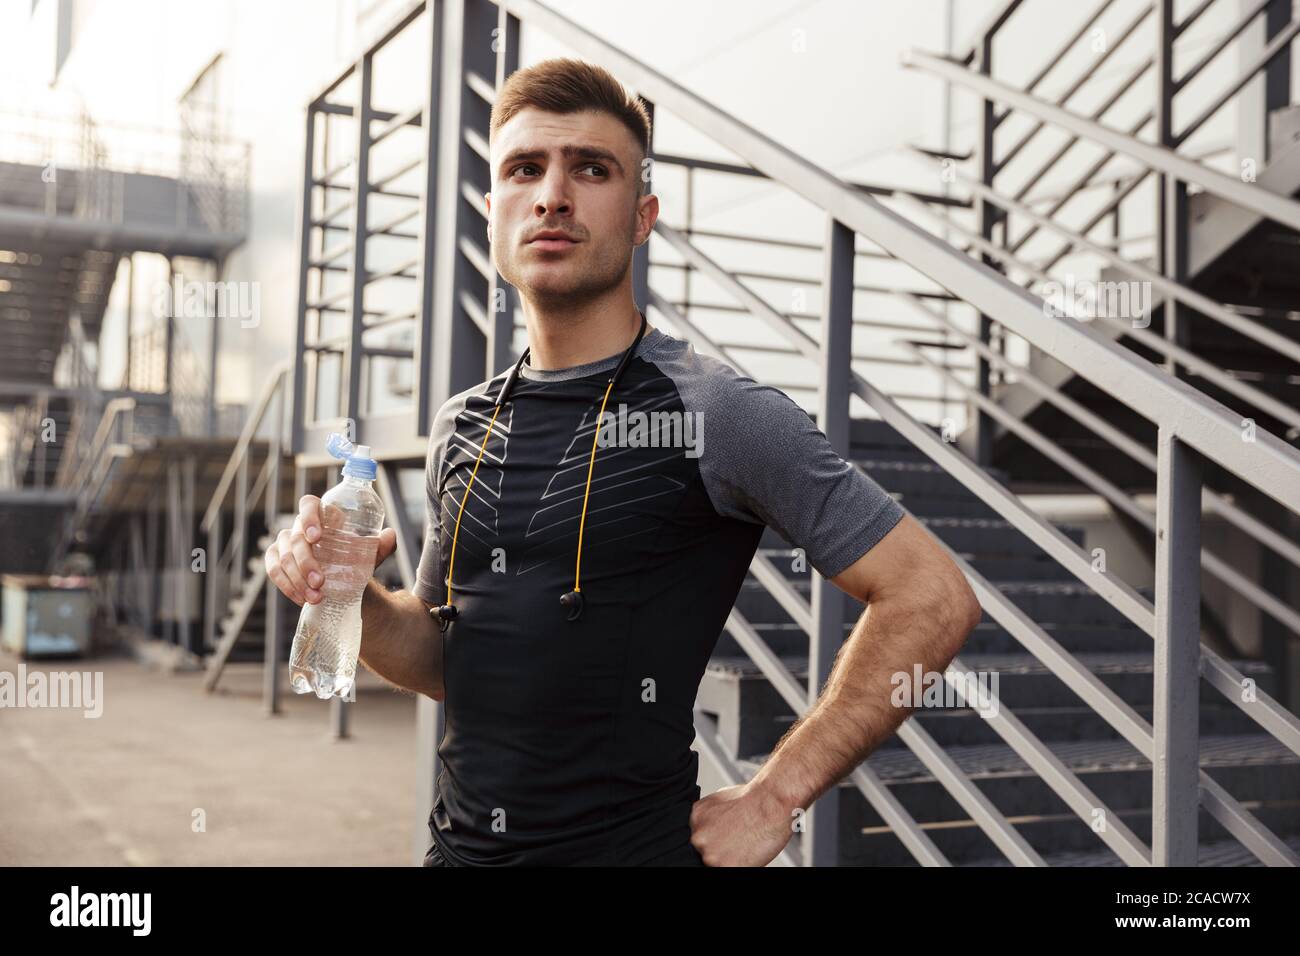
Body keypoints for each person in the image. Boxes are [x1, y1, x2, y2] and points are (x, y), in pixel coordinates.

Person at [265, 57, 981, 867]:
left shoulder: (715, 413)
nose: (552, 195)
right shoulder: (461, 424)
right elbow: (441, 658)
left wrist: (779, 791)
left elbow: (933, 595)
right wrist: (349, 593)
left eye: (591, 169)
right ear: (493, 209)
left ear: (643, 217)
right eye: (524, 169)